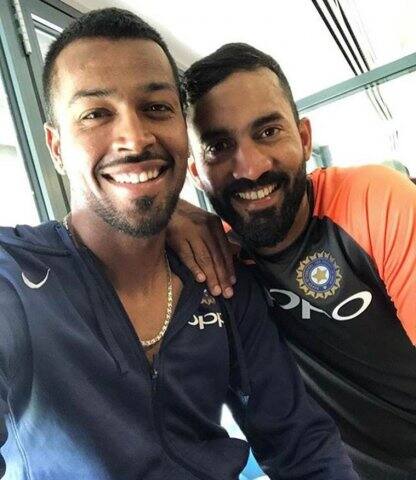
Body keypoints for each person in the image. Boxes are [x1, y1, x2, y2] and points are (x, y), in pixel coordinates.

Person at [0, 9, 358, 480]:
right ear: (56, 148)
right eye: (96, 114)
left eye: (156, 108)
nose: (134, 139)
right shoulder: (15, 279)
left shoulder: (223, 279)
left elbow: (303, 446)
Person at [167, 42, 416, 479]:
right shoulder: (215, 259)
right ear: (196, 173)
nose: (250, 168)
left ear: (303, 138)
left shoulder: (374, 202)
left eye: (267, 132)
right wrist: (166, 213)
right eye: (219, 146)